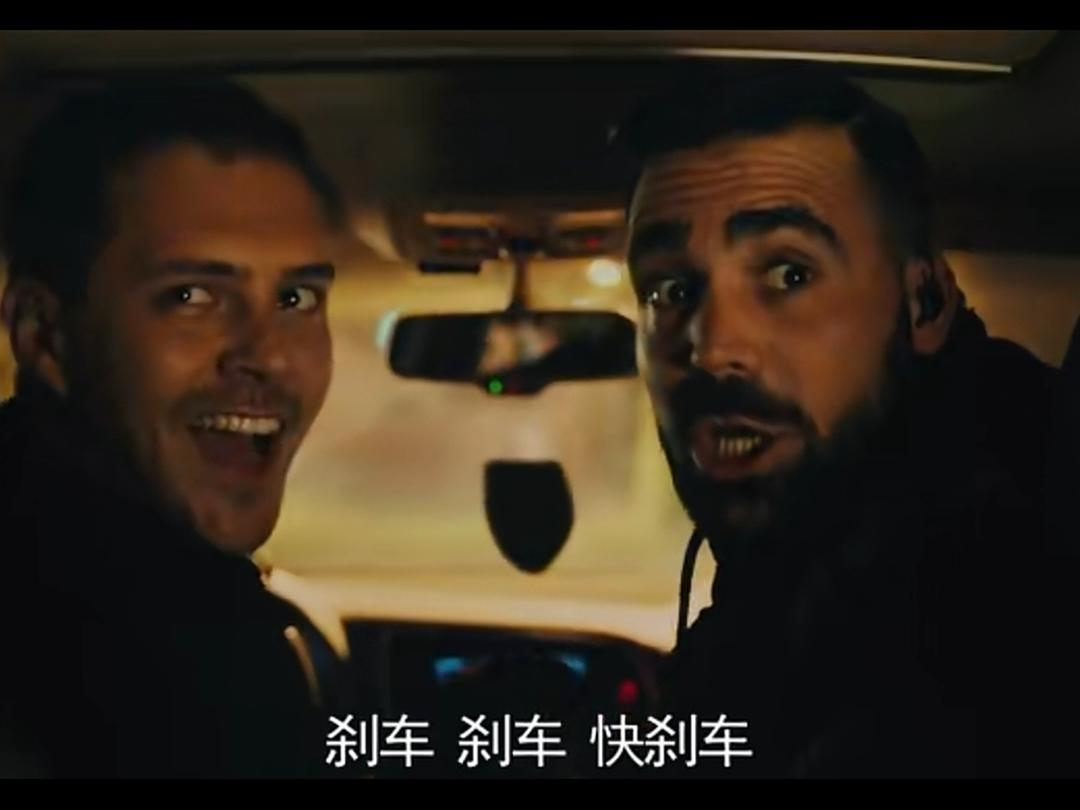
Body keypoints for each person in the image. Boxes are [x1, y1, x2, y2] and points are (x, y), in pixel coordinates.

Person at [615, 67, 1080, 778]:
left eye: (788, 276)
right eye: (670, 289)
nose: (711, 349)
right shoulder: (766, 616)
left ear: (925, 302)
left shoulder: (1026, 581)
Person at [0, 79, 346, 777]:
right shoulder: (179, 656)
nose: (269, 356)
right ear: (44, 334)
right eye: (191, 296)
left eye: (295, 298)